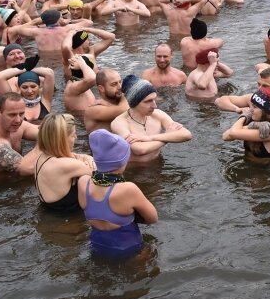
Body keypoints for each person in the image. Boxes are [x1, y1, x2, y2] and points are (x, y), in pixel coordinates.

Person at [77, 129, 158, 257]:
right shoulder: (128, 189)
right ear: (122, 161)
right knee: (150, 255)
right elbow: (152, 218)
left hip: (97, 245)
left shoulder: (83, 182)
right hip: (127, 248)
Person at [111, 75, 193, 162]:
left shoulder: (157, 114)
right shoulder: (119, 123)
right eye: (148, 101)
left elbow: (187, 134)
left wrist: (150, 138)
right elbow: (139, 150)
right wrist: (168, 136)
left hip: (157, 165)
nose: (154, 105)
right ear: (134, 103)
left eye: (154, 99)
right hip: (134, 171)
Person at [33, 113, 96, 212]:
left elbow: (75, 156)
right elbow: (103, 171)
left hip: (49, 217)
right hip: (69, 224)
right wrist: (90, 159)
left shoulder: (40, 158)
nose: (76, 137)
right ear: (61, 139)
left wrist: (85, 157)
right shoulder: (65, 165)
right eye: (73, 134)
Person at [222, 88, 270, 164]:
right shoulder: (253, 121)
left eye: (255, 107)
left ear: (265, 111)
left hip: (266, 172)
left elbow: (233, 133)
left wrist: (243, 117)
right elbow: (226, 136)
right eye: (251, 105)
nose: (251, 110)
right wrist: (250, 122)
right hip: (247, 164)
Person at [7, 9, 72, 52]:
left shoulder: (37, 31)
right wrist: (69, 19)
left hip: (44, 59)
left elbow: (20, 29)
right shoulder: (67, 29)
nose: (18, 18)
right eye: (15, 17)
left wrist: (40, 23)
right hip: (60, 57)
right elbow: (82, 23)